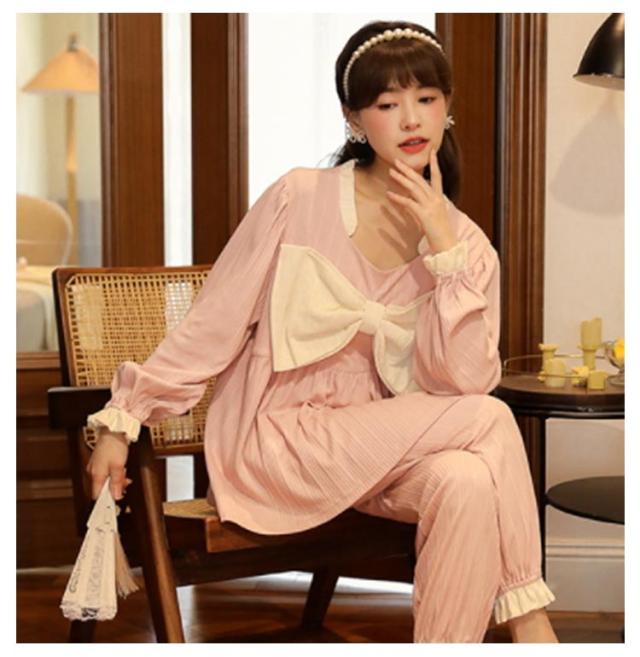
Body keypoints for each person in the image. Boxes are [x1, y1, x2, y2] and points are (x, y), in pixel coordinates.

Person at [85, 19, 558, 643]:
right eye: (387, 104)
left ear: (447, 109)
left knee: (466, 481)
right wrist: (123, 419)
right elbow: (212, 324)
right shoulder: (299, 198)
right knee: (492, 418)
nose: (411, 119)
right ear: (354, 119)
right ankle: (529, 619)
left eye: (426, 99)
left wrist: (444, 251)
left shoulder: (466, 245)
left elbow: (464, 382)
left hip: (380, 454)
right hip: (282, 444)